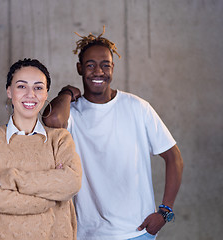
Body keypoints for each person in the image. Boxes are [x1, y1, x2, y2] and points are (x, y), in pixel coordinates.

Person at [42, 27, 184, 240]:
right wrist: (67, 93)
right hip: (89, 234)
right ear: (79, 68)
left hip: (137, 233)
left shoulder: (137, 107)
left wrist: (165, 211)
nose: (98, 72)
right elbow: (52, 120)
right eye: (90, 65)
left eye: (105, 65)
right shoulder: (72, 113)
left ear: (113, 68)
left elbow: (174, 158)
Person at [0, 58, 82, 240]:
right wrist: (49, 197)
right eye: (22, 86)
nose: (31, 94)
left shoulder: (60, 139)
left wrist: (11, 179)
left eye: (38, 87)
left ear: (46, 94)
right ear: (9, 91)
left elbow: (72, 182)